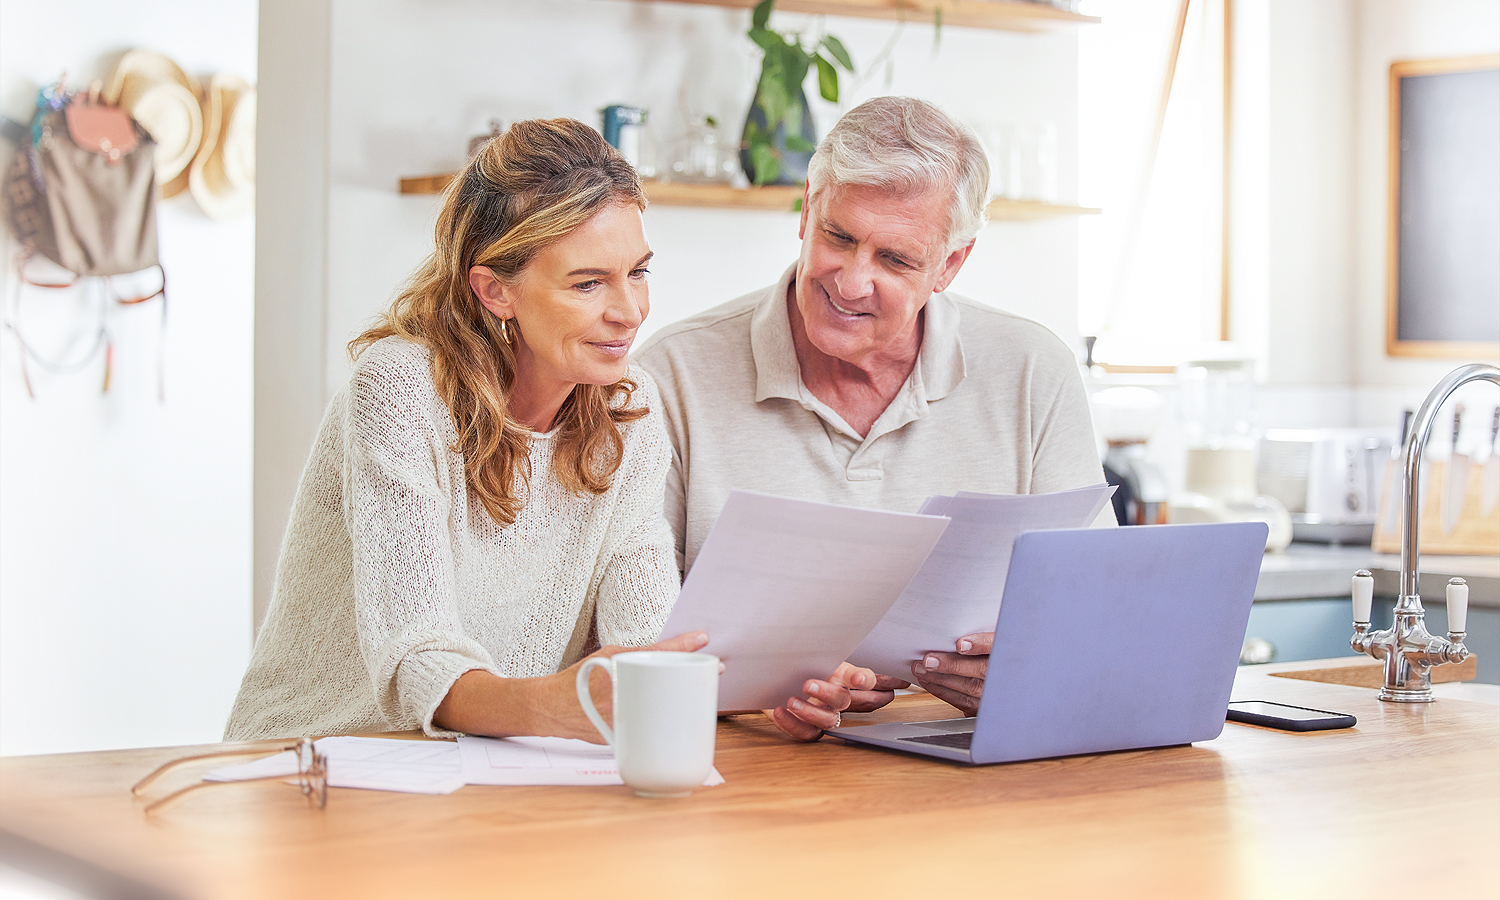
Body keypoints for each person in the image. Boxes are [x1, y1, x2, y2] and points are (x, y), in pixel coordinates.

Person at [226, 119, 717, 742]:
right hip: (314, 762)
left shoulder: (627, 410)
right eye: (588, 283)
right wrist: (558, 707)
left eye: (638, 272)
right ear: (494, 291)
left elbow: (647, 637)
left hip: (490, 769)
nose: (629, 311)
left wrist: (769, 676)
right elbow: (416, 658)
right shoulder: (401, 391)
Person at [636, 97, 1113, 737]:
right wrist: (750, 690)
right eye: (839, 236)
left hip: (969, 773)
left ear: (949, 265)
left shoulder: (1033, 370)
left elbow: (1097, 609)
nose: (852, 282)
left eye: (895, 260)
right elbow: (630, 636)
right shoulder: (671, 372)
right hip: (742, 769)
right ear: (806, 210)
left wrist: (1029, 666)